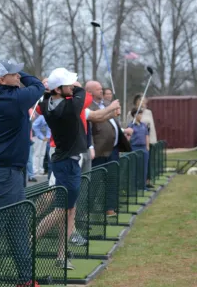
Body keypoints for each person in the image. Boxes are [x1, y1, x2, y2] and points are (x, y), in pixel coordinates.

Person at [37, 68, 119, 270]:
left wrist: (50, 88)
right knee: (62, 210)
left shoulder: (48, 103)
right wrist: (64, 86)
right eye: (68, 85)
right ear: (59, 89)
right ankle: (30, 241)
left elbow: (46, 101)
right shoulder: (69, 106)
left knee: (68, 210)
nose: (73, 87)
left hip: (67, 160)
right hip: (65, 163)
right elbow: (83, 93)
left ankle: (62, 255)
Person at [0, 59, 44, 286]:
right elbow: (38, 86)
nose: (19, 77)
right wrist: (27, 75)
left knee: (17, 229)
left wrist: (13, 72)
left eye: (19, 74)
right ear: (1, 79)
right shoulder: (13, 99)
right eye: (14, 74)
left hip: (10, 172)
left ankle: (26, 279)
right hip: (2, 174)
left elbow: (32, 86)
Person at [85, 80, 132, 217]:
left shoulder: (107, 104)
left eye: (101, 88)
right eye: (98, 89)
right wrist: (91, 147)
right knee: (94, 182)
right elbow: (90, 129)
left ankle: (110, 208)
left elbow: (113, 124)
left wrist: (122, 132)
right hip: (99, 151)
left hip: (113, 149)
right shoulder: (89, 107)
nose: (101, 90)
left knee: (112, 179)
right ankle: (88, 211)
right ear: (90, 92)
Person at [128, 108, 152, 189]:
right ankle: (134, 186)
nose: (141, 116)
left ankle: (143, 186)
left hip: (144, 148)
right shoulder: (131, 125)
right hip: (134, 148)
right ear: (135, 115)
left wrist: (147, 147)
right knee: (134, 168)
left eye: (142, 114)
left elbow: (147, 136)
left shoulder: (144, 125)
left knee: (144, 168)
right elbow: (127, 137)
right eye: (139, 114)